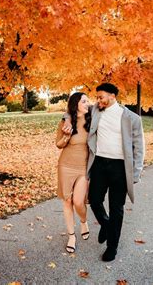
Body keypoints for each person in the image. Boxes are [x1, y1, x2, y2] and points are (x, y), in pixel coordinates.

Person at [62, 83, 145, 262]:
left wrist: (136, 173)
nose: (97, 100)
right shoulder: (96, 111)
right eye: (97, 97)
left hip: (120, 168)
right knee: (94, 199)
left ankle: (112, 247)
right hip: (99, 163)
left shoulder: (132, 118)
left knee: (117, 208)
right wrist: (67, 120)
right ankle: (106, 225)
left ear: (112, 96)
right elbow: (71, 110)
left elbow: (139, 148)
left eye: (101, 97)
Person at [56, 92, 92, 254]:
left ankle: (83, 221)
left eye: (87, 101)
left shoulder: (92, 119)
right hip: (65, 165)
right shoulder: (65, 121)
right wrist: (66, 136)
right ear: (76, 104)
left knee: (79, 201)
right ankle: (71, 236)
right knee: (67, 201)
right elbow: (59, 144)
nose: (87, 103)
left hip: (83, 167)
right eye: (84, 101)